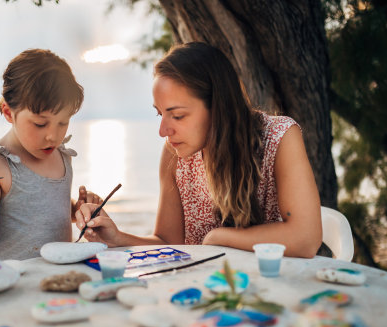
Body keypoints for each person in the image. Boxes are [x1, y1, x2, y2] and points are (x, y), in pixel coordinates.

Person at [75, 42, 322, 258]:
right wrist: (116, 237)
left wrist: (219, 238)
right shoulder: (175, 156)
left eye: (178, 116)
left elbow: (305, 238)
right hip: (198, 296)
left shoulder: (278, 137)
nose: (163, 130)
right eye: (160, 114)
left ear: (218, 107)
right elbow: (168, 243)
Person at [0, 49, 101, 260]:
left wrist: (77, 210)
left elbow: (40, 208)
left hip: (54, 280)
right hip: (10, 284)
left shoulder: (61, 155)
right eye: (40, 123)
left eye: (63, 122)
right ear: (8, 113)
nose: (52, 136)